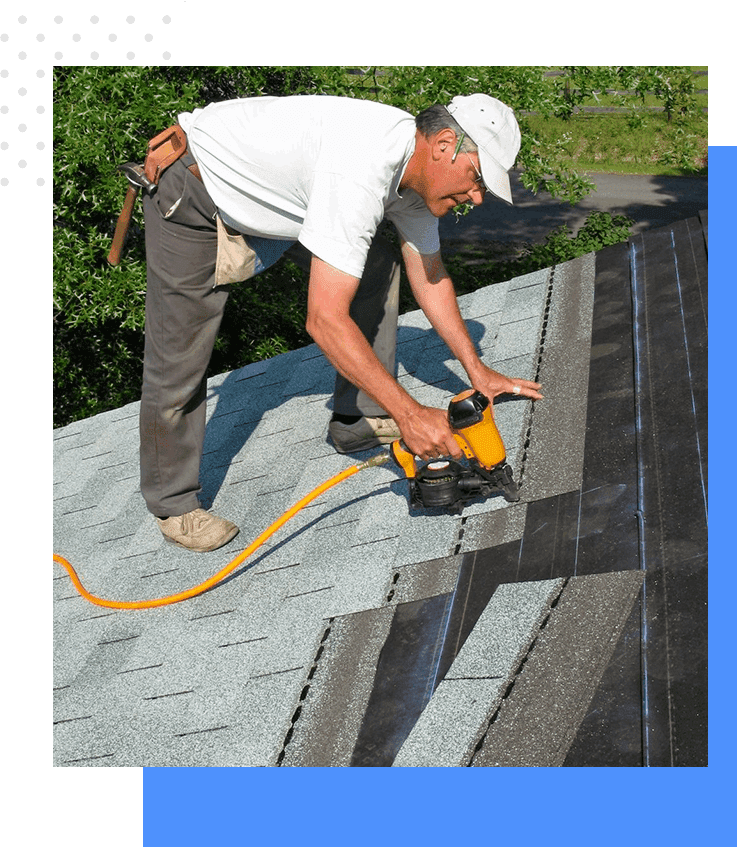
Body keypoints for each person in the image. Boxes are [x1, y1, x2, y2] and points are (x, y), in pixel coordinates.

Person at [140, 92, 543, 552]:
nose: (474, 197)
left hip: (280, 194)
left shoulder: (414, 173)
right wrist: (410, 413)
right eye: (475, 179)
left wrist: (478, 371)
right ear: (444, 144)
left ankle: (357, 419)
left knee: (379, 265)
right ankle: (172, 502)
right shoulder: (359, 169)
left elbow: (429, 275)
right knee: (179, 353)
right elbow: (324, 320)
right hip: (194, 190)